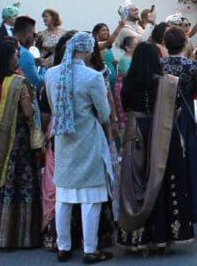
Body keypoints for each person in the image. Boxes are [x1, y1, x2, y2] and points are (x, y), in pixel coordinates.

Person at [44, 32, 115, 263]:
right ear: (86, 50)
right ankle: (90, 249)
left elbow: (53, 106)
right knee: (91, 198)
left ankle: (63, 246)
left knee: (63, 196)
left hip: (63, 139)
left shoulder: (51, 74)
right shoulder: (92, 76)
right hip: (87, 139)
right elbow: (104, 113)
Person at [117, 43, 195, 251]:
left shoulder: (128, 83)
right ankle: (164, 236)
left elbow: (125, 107)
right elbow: (176, 109)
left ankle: (139, 238)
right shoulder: (167, 84)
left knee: (136, 182)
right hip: (163, 132)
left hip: (136, 134)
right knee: (163, 179)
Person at [0, 37, 42, 248]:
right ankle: (19, 235)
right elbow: (28, 111)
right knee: (15, 181)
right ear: (6, 59)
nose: (18, 58)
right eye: (15, 55)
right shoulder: (17, 83)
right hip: (16, 137)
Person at [160, 27, 197, 221]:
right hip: (185, 112)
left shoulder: (159, 64)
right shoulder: (192, 65)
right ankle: (194, 207)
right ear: (184, 43)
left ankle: (167, 206)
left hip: (164, 112)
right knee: (190, 159)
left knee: (164, 157)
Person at [14, 16, 43, 89]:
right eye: (33, 34)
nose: (34, 39)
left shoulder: (3, 45)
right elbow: (37, 83)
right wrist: (44, 67)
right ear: (25, 33)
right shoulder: (24, 53)